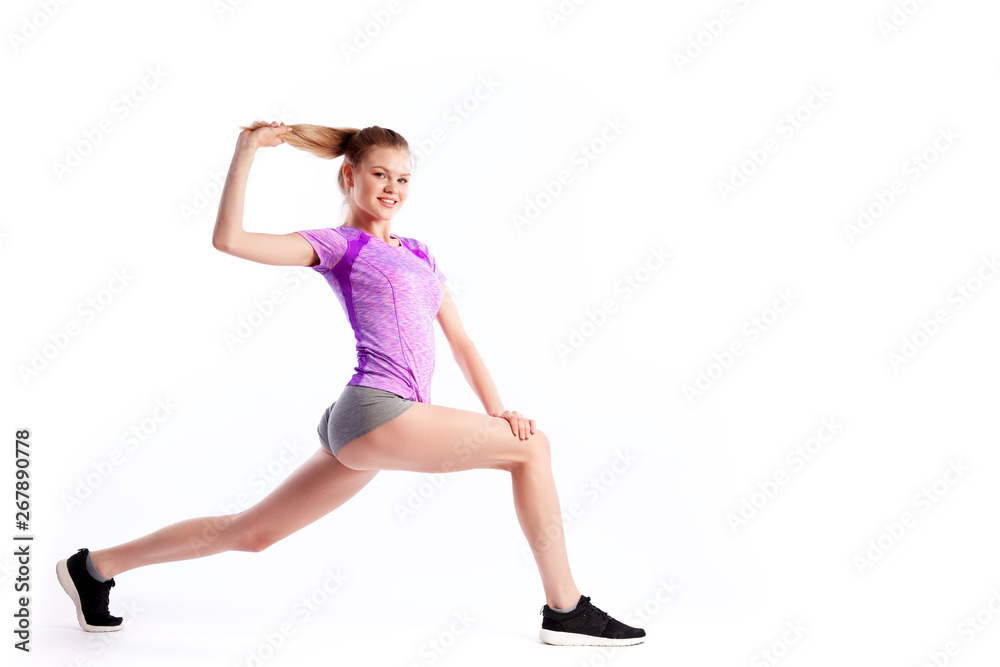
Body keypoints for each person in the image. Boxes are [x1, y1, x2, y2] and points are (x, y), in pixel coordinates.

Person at [56, 120, 646, 647]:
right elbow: (229, 241)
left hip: (371, 419)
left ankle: (94, 568)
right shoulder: (339, 245)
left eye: (404, 178)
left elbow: (461, 343)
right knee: (533, 451)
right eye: (380, 174)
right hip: (376, 412)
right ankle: (565, 610)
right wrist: (246, 153)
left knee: (252, 534)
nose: (393, 188)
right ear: (349, 175)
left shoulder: (417, 252)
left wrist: (501, 411)